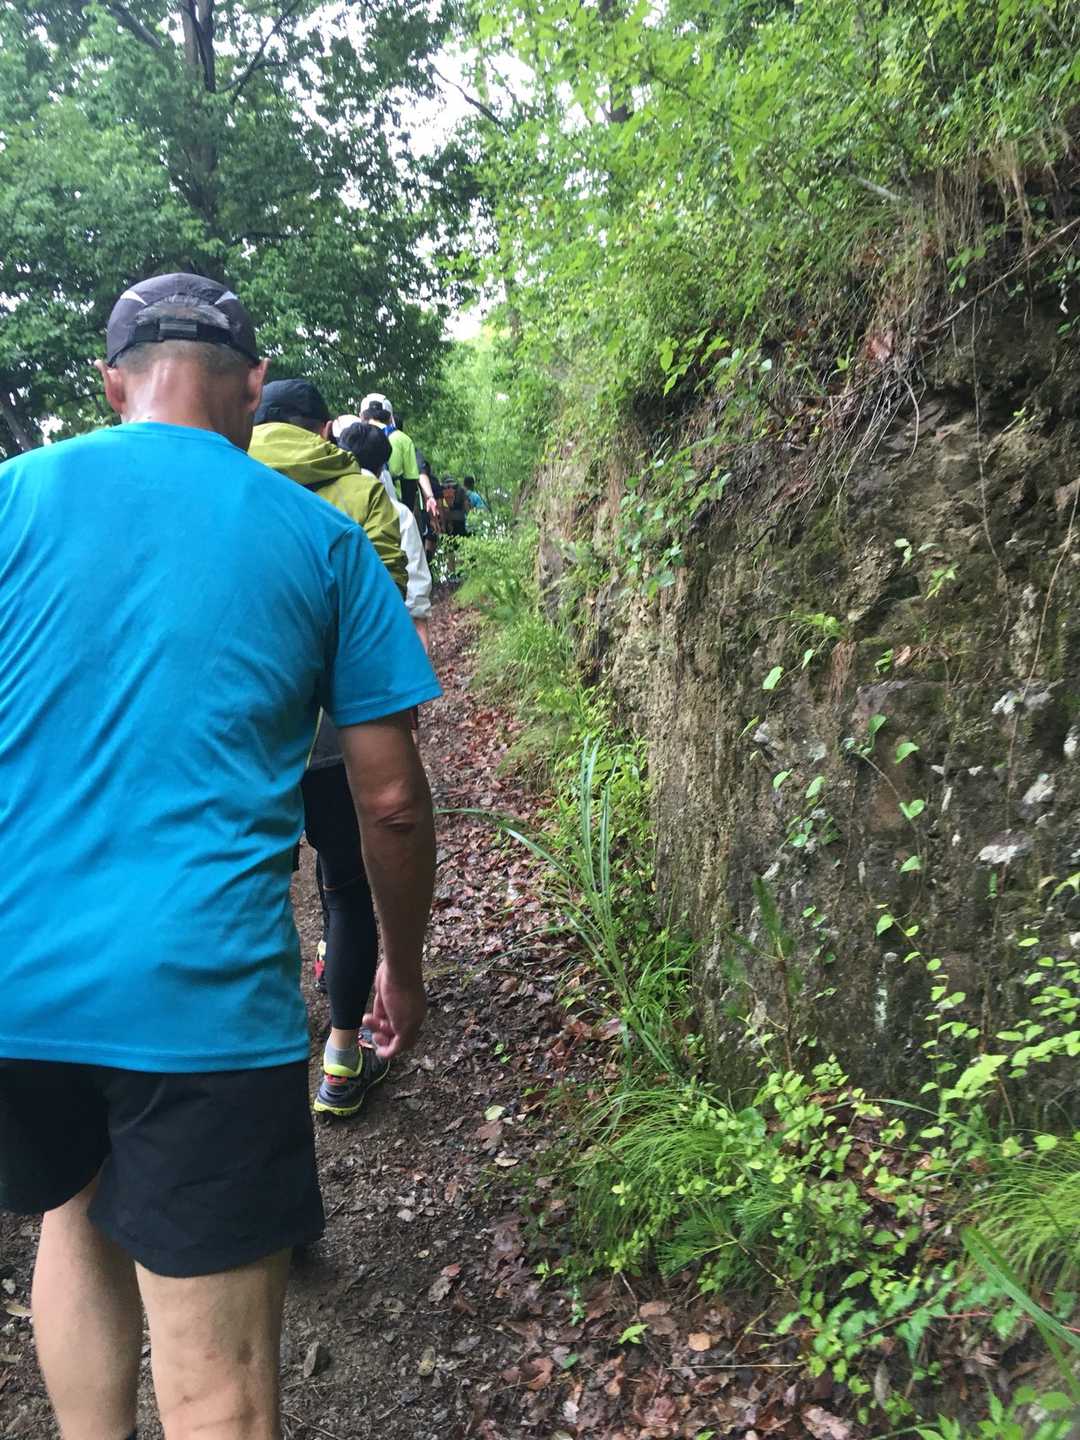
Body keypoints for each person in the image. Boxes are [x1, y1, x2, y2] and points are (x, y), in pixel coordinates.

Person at [0, 273, 440, 1440]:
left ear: (113, 384)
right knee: (220, 1387)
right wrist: (400, 969)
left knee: (76, 1214)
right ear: (253, 385)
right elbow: (391, 801)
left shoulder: (10, 499)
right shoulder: (323, 538)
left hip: (19, 978)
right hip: (197, 994)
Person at [250, 392, 422, 1118]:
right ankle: (343, 1061)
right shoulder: (358, 491)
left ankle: (249, 1067)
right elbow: (383, 604)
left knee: (250, 886)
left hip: (241, 730)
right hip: (333, 728)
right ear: (326, 428)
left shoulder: (218, 478)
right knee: (346, 887)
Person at [359, 392, 439, 523]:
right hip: (392, 511)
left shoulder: (353, 436)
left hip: (360, 509)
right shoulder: (403, 440)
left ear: (361, 416)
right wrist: (407, 515)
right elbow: (409, 484)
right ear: (390, 418)